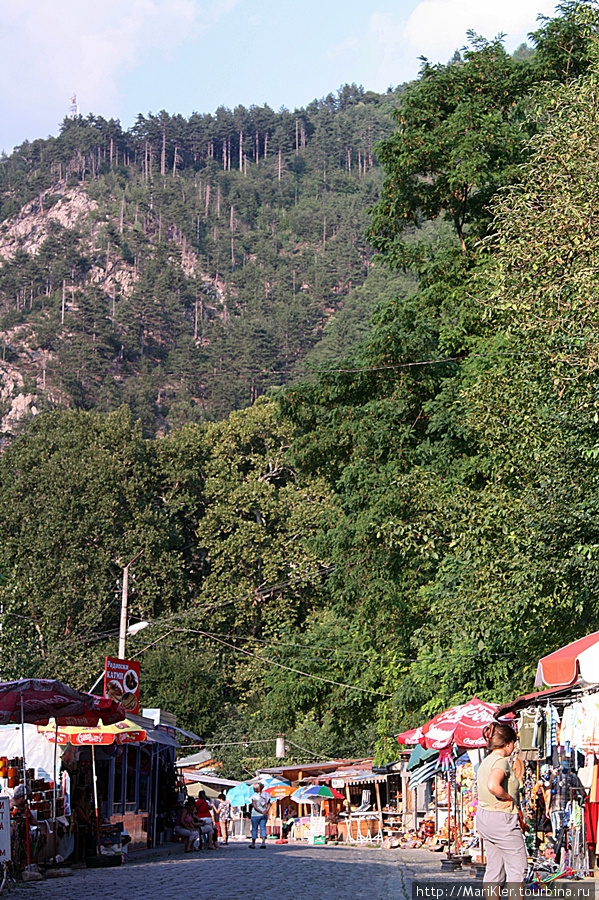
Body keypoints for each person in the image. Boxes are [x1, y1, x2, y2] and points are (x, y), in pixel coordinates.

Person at [476, 722, 527, 893]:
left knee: (494, 870)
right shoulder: (501, 761)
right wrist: (508, 797)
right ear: (508, 743)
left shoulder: (486, 761)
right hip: (502, 819)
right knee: (517, 869)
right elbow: (493, 785)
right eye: (514, 743)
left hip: (485, 818)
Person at [250, 782, 271, 849]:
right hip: (264, 814)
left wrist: (261, 811)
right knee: (263, 828)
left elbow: (255, 806)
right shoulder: (266, 795)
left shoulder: (254, 796)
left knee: (254, 828)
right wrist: (265, 811)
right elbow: (269, 804)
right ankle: (263, 843)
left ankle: (253, 844)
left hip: (255, 814)